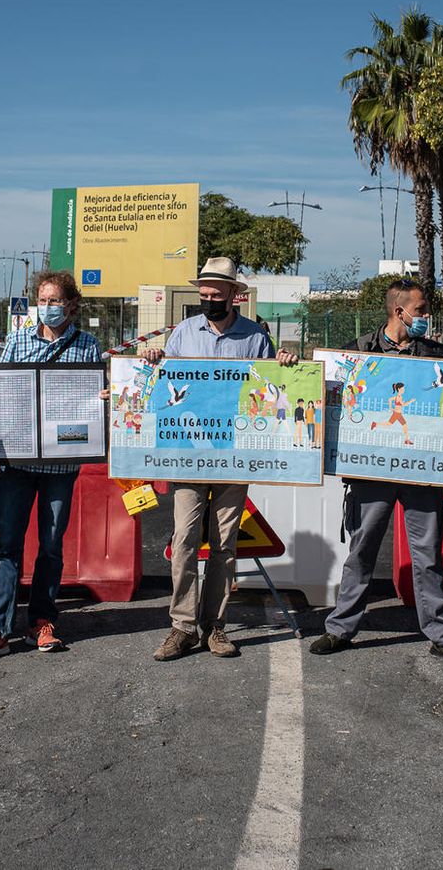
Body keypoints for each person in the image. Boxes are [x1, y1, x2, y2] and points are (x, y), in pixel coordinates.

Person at [309, 279, 443, 665]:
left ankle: (441, 633)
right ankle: (340, 629)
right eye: (421, 311)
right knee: (362, 550)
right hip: (371, 473)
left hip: (422, 472)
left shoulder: (441, 355)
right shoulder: (356, 352)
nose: (427, 317)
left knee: (428, 554)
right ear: (399, 312)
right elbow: (328, 393)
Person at [139, 258, 296, 661]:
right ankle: (182, 627)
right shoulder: (183, 333)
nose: (208, 301)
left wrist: (285, 363)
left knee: (225, 543)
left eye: (215, 295)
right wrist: (156, 359)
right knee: (185, 538)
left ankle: (215, 626)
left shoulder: (256, 337)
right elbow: (165, 383)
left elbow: (271, 387)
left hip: (234, 454)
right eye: (203, 295)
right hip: (189, 453)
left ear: (233, 295)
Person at [0, 271, 101, 663]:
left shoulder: (89, 346)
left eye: (55, 300)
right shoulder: (19, 340)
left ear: (71, 305)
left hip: (62, 462)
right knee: (7, 545)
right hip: (18, 460)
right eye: (43, 299)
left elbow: (94, 398)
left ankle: (42, 621)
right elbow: (0, 388)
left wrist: (103, 395)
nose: (48, 307)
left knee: (51, 547)